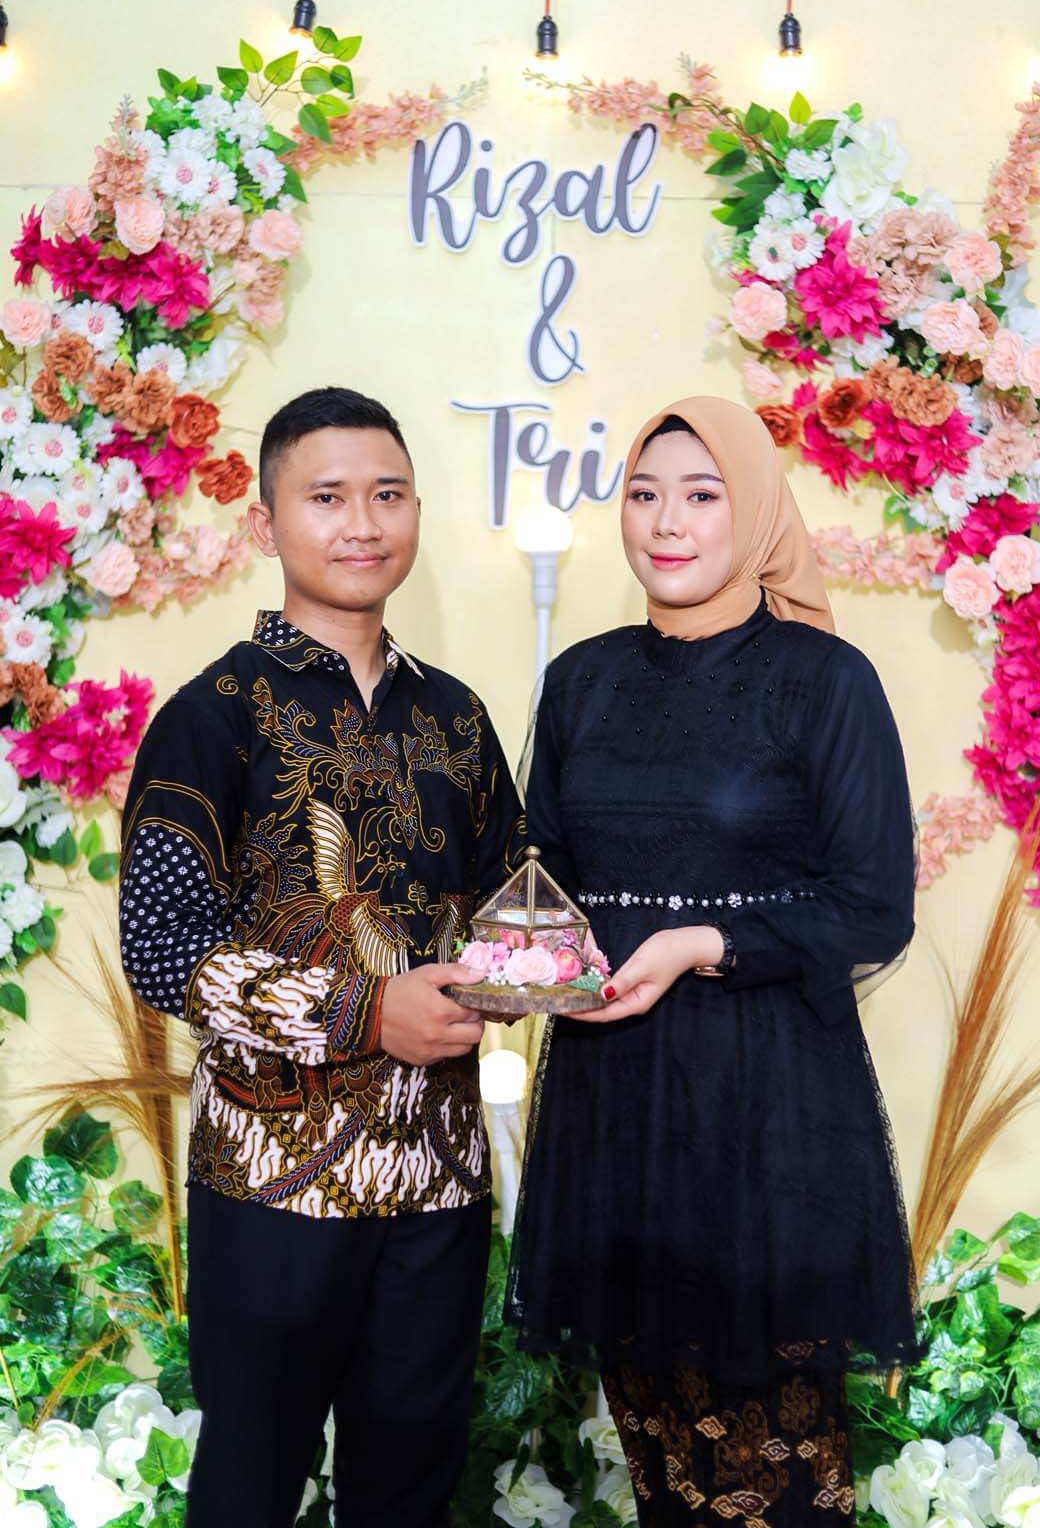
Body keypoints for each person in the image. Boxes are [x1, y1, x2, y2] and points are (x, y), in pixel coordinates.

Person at [507, 396, 918, 1527]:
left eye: (700, 494)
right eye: (643, 494)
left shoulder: (822, 680)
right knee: (660, 1466)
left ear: (757, 512)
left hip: (765, 1108)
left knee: (769, 1479)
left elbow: (873, 908)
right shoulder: (581, 681)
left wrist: (707, 943)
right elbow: (543, 867)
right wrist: (537, 951)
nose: (665, 522)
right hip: (612, 1100)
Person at [119, 386, 525, 1528]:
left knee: (411, 1488)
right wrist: (366, 1011)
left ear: (416, 512)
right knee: (249, 1484)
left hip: (439, 1178)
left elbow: (513, 903)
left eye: (388, 495)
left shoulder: (456, 718)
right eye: (329, 497)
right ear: (267, 523)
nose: (362, 524)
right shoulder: (213, 715)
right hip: (271, 1181)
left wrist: (548, 967)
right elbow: (162, 947)